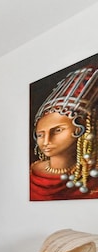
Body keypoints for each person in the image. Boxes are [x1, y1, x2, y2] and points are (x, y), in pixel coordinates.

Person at [30, 66, 98, 200]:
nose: (46, 141)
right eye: (40, 134)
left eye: (58, 130)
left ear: (80, 129)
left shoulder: (92, 181)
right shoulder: (32, 173)